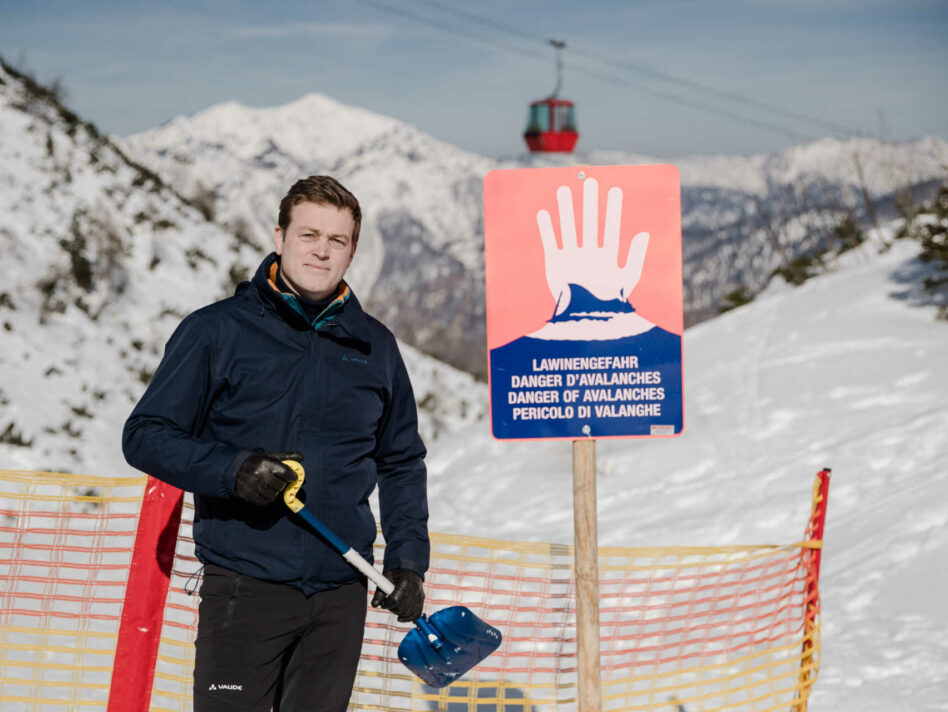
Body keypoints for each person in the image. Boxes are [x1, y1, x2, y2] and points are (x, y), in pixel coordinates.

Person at [123, 176, 429, 711]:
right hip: (245, 585)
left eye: (337, 240)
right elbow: (146, 436)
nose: (322, 250)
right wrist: (233, 470)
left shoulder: (374, 346)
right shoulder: (217, 331)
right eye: (309, 234)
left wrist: (407, 562)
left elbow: (401, 461)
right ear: (280, 236)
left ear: (352, 250)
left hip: (341, 592)